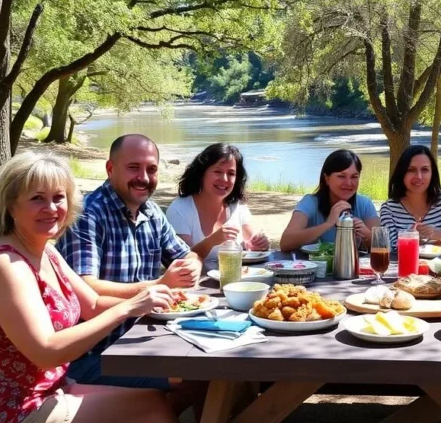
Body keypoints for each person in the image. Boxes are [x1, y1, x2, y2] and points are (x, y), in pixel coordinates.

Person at [0, 152, 192, 423]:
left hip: (44, 392)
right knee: (152, 406)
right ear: (11, 206)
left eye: (58, 197)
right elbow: (46, 351)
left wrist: (152, 301)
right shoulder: (6, 266)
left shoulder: (45, 250)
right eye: (37, 199)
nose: (51, 208)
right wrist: (126, 309)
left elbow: (90, 305)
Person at [57, 134, 203, 393]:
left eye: (152, 169)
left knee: (212, 363)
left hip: (145, 338)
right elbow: (85, 288)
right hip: (97, 354)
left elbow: (187, 255)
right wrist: (157, 285)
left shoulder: (152, 212)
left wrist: (193, 265)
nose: (144, 178)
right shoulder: (88, 215)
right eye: (134, 167)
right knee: (194, 378)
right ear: (110, 169)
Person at [166, 143, 270, 272]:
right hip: (197, 287)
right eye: (217, 171)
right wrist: (212, 241)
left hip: (237, 281)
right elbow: (181, 261)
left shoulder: (237, 206)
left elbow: (252, 244)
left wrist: (259, 244)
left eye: (231, 173)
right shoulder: (180, 209)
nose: (224, 179)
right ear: (201, 173)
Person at [279, 149, 380, 251]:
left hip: (353, 265)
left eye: (354, 177)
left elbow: (382, 246)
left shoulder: (365, 204)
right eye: (341, 176)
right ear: (326, 178)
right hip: (316, 265)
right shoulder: (310, 203)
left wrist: (365, 232)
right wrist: (328, 224)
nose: (349, 183)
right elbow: (285, 242)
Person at [378, 144, 441, 248]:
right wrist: (411, 236)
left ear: (432, 173)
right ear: (401, 173)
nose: (419, 176)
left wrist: (437, 234)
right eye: (411, 170)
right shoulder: (389, 209)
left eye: (425, 170)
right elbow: (388, 249)